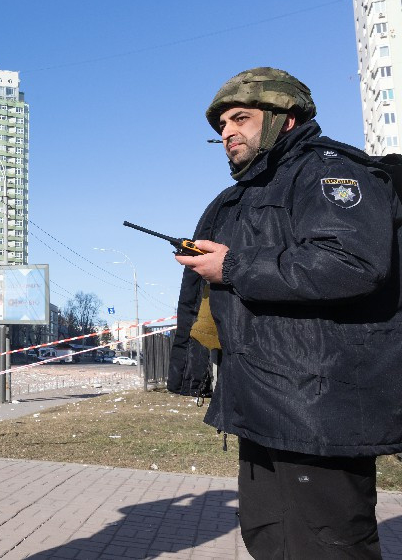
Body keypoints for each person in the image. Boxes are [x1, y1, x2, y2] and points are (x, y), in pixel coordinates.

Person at [169, 67, 402, 559]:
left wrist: (231, 264)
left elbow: (353, 264)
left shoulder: (328, 173)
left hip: (318, 408)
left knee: (327, 543)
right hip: (261, 401)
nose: (227, 133)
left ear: (283, 118)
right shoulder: (241, 196)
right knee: (269, 536)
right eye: (220, 127)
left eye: (240, 118)